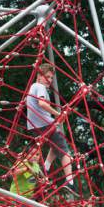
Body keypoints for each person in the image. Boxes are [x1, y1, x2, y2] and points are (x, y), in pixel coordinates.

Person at [26, 63, 76, 195]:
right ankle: (70, 183)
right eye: (47, 76)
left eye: (51, 77)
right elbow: (42, 103)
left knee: (54, 147)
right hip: (45, 124)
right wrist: (57, 114)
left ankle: (44, 169)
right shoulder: (40, 87)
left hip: (34, 127)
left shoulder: (32, 88)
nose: (49, 80)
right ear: (39, 76)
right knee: (65, 152)